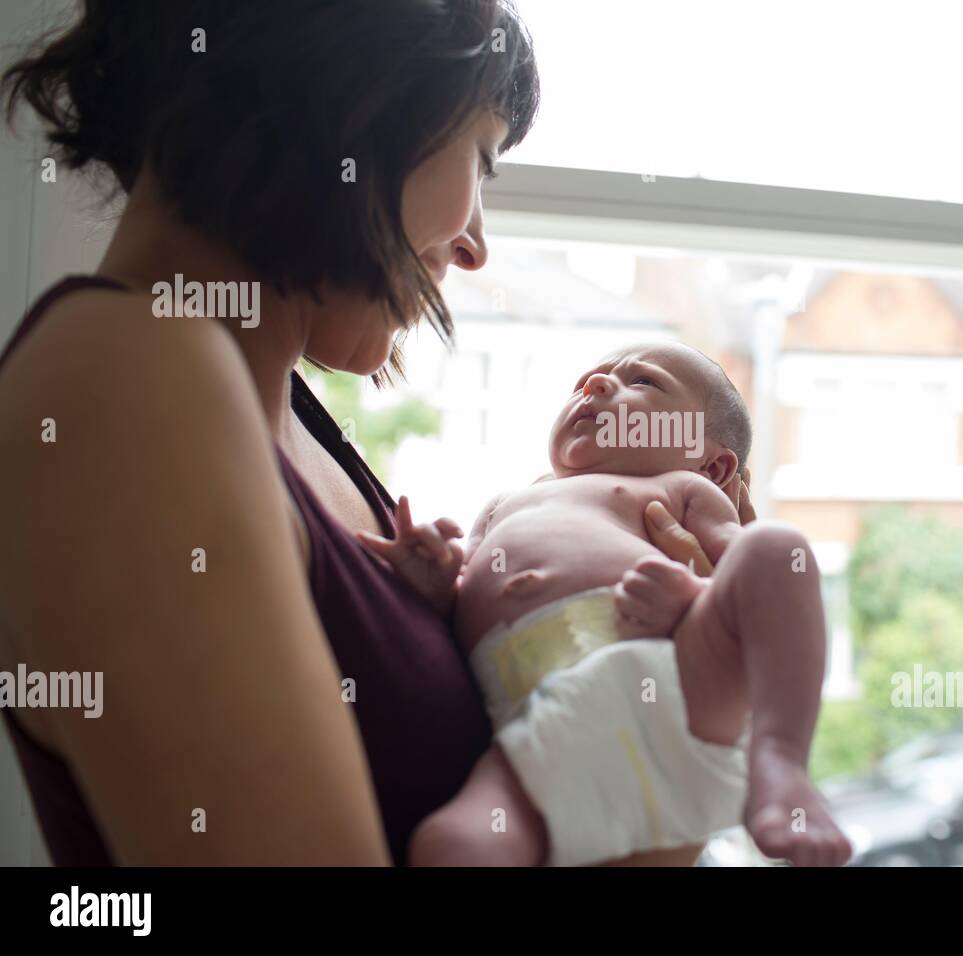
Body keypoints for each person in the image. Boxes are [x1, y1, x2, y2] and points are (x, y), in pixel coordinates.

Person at [0, 0, 737, 866]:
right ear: (360, 91)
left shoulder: (277, 409)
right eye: (482, 159)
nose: (472, 248)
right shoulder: (129, 377)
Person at [363, 342, 851, 866]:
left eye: (642, 381)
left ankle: (779, 762)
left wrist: (696, 599)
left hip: (675, 679)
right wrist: (434, 584)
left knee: (776, 549)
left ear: (712, 465)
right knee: (451, 844)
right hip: (541, 733)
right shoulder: (505, 503)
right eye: (586, 379)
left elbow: (745, 586)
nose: (594, 386)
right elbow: (462, 595)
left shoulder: (681, 489)